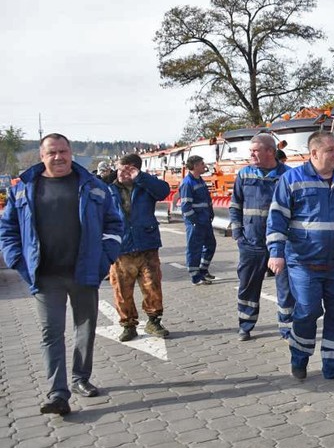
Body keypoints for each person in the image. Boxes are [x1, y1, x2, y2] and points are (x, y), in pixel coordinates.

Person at [0, 134, 123, 416]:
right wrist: (17, 260)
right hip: (45, 276)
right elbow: (7, 230)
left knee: (85, 329)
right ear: (42, 156)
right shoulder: (24, 189)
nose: (58, 157)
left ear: (71, 153)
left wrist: (105, 259)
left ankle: (81, 378)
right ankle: (57, 393)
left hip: (84, 273)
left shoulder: (93, 186)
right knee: (50, 333)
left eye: (63, 151)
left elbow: (114, 224)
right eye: (52, 152)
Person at [267, 132, 334, 381]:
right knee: (307, 311)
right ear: (314, 153)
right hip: (303, 263)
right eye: (330, 150)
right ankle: (300, 357)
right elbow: (277, 219)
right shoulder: (292, 180)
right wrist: (276, 253)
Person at [230, 134, 294, 341]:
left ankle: (287, 328)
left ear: (270, 151)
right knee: (248, 286)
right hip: (251, 242)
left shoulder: (289, 175)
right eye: (250, 151)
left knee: (286, 288)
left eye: (255, 151)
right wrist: (238, 233)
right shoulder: (244, 174)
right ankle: (245, 325)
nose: (251, 154)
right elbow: (235, 205)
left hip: (282, 243)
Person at [107, 153, 172, 342]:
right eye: (119, 169)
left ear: (135, 169)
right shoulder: (109, 189)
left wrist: (140, 177)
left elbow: (163, 191)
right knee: (121, 289)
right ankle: (128, 325)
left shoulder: (145, 187)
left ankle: (154, 321)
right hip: (121, 247)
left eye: (126, 170)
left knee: (152, 285)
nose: (121, 173)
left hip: (147, 244)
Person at [178, 155, 216, 285]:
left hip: (205, 220)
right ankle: (195, 276)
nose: (204, 166)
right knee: (194, 248)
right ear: (195, 166)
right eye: (201, 164)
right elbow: (185, 206)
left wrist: (210, 213)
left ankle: (203, 270)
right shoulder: (187, 183)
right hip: (196, 222)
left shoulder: (200, 180)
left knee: (211, 245)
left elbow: (206, 200)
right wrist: (194, 220)